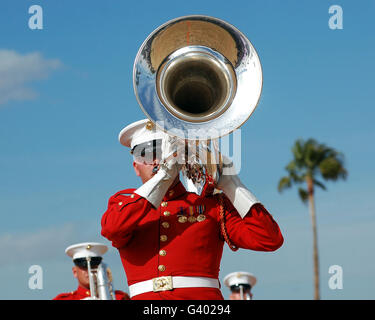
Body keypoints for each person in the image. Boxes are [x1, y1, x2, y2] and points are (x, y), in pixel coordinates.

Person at [101, 119, 284, 300]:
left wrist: (233, 185)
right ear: (136, 167)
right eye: (145, 154)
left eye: (162, 151)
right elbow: (113, 229)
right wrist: (163, 177)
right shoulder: (123, 204)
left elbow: (269, 239)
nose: (155, 160)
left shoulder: (211, 205)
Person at [53, 242, 130, 300]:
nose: (90, 270)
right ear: (75, 272)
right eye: (84, 267)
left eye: (94, 266)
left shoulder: (120, 297)